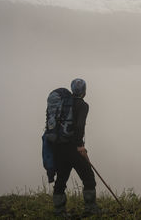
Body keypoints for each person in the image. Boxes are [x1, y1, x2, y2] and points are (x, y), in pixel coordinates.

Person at [52, 78, 100, 217]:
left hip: (59, 147)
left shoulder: (63, 103)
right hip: (74, 148)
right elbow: (79, 126)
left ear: (72, 90)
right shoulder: (83, 105)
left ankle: (59, 210)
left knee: (61, 179)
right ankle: (91, 209)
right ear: (84, 91)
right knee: (89, 178)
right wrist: (80, 146)